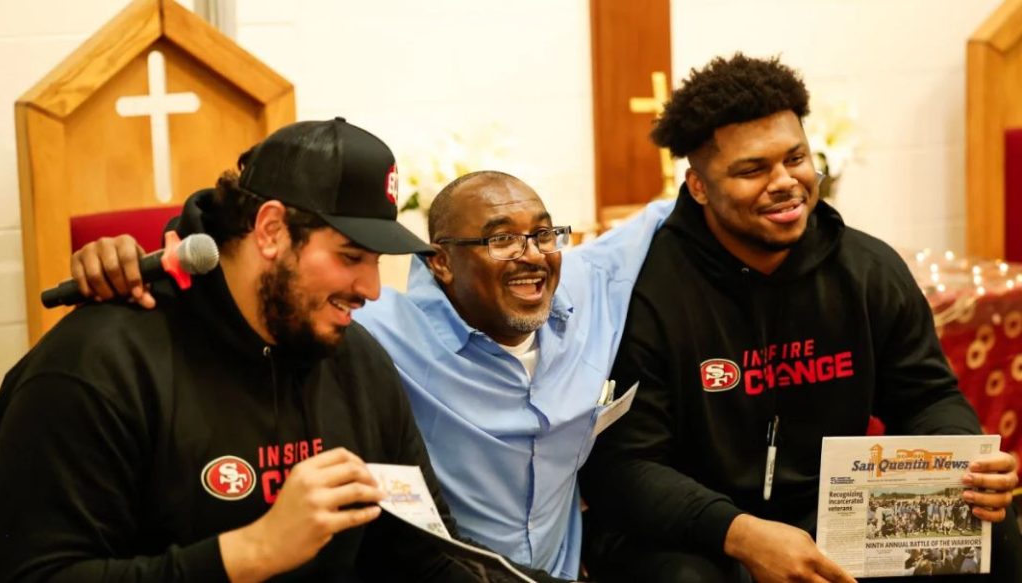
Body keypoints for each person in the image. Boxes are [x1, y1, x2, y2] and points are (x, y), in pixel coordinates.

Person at [0, 118, 564, 582]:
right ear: (270, 230)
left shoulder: (355, 361)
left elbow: (427, 554)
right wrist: (250, 552)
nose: (370, 288)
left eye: (376, 260)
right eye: (349, 256)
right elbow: (38, 576)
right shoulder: (97, 367)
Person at [63, 173, 673, 578]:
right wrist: (145, 258)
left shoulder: (589, 288)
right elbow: (254, 278)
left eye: (541, 234)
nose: (532, 253)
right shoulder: (373, 327)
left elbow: (681, 204)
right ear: (439, 264)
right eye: (500, 240)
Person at [578, 54, 1022, 583]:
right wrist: (741, 533)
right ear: (698, 186)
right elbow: (622, 468)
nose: (785, 182)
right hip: (691, 530)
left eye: (795, 158)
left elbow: (926, 397)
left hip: (830, 512)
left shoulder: (866, 270)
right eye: (752, 169)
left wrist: (963, 463)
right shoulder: (644, 291)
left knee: (986, 524)